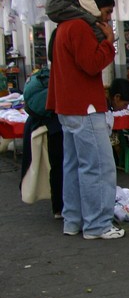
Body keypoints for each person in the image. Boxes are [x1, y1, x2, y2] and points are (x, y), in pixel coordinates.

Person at [45, 0, 124, 240]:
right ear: (94, 8)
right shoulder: (78, 27)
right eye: (107, 11)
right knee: (98, 167)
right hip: (84, 107)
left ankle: (74, 220)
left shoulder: (63, 28)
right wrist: (108, 43)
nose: (109, 17)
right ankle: (97, 225)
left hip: (69, 106)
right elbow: (91, 65)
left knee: (74, 165)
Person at [20, 64, 63, 219]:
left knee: (57, 166)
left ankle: (58, 207)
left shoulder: (53, 76)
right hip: (56, 124)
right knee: (62, 165)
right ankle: (61, 207)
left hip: (50, 124)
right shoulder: (64, 77)